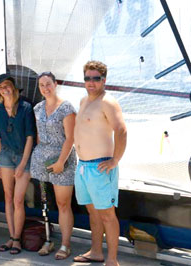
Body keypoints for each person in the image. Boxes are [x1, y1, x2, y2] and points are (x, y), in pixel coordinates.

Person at [73, 61, 127, 266]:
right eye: (87, 78)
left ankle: (112, 260)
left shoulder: (108, 102)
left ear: (104, 80)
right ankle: (96, 251)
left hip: (101, 167)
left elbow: (121, 130)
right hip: (83, 166)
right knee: (92, 212)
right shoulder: (83, 101)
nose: (91, 82)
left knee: (107, 215)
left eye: (96, 78)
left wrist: (115, 160)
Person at [30, 72, 76, 260]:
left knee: (63, 204)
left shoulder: (66, 108)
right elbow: (39, 135)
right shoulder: (38, 108)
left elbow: (70, 138)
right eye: (42, 85)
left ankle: (65, 245)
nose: (45, 88)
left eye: (48, 84)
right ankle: (48, 240)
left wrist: (60, 163)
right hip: (41, 159)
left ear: (55, 84)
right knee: (45, 202)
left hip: (62, 160)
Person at [0, 73, 36, 255]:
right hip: (6, 156)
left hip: (24, 155)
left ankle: (16, 239)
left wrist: (23, 163)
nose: (5, 89)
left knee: (18, 199)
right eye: (1, 87)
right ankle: (12, 236)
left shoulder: (25, 107)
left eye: (7, 85)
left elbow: (30, 136)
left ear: (13, 88)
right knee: (8, 197)